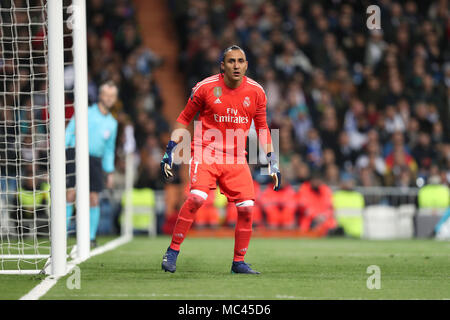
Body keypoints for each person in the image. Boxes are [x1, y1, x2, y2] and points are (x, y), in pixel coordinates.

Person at [160, 45, 281, 274]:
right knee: (196, 198)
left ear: (246, 65)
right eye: (231, 61)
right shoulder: (205, 88)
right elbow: (184, 118)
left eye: (241, 61)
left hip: (236, 157)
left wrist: (272, 160)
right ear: (222, 66)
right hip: (206, 151)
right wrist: (171, 149)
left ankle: (238, 262)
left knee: (247, 208)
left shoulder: (257, 92)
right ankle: (173, 250)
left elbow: (263, 128)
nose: (236, 65)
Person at [65, 80, 119, 248]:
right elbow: (70, 130)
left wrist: (109, 172)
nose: (109, 98)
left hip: (95, 160)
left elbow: (109, 149)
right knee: (70, 194)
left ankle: (91, 237)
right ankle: (63, 233)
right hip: (76, 154)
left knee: (93, 198)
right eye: (107, 95)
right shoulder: (86, 112)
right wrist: (64, 150)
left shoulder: (112, 123)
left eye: (113, 96)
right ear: (101, 95)